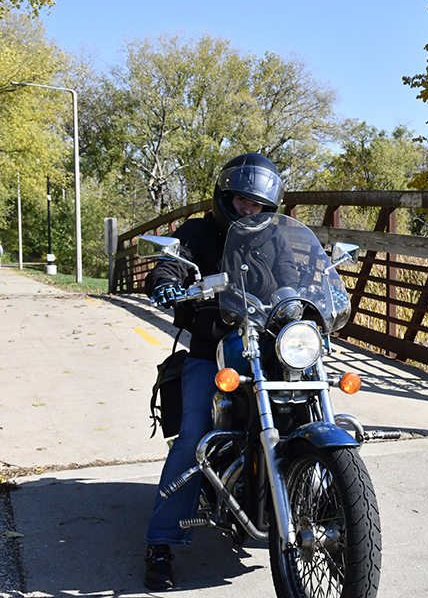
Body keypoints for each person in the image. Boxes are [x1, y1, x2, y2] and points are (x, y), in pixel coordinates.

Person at [142, 153, 285, 591]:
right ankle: (160, 543)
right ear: (226, 196)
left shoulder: (274, 239)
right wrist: (165, 283)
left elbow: (300, 271)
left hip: (268, 348)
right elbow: (171, 262)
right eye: (242, 200)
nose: (249, 210)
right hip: (213, 351)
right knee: (196, 436)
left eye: (258, 204)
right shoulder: (198, 231)